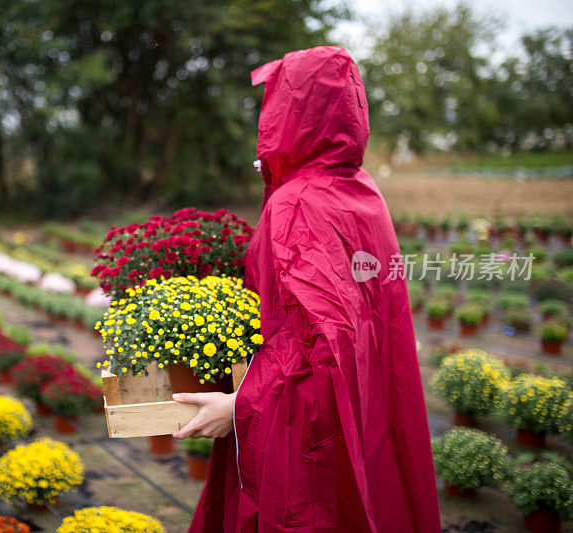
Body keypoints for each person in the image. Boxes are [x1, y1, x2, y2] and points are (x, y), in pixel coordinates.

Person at [171, 46, 442, 532]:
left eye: (274, 103)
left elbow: (319, 347)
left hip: (303, 435)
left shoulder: (297, 205)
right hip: (363, 411)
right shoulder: (361, 192)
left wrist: (238, 406)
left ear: (293, 113)